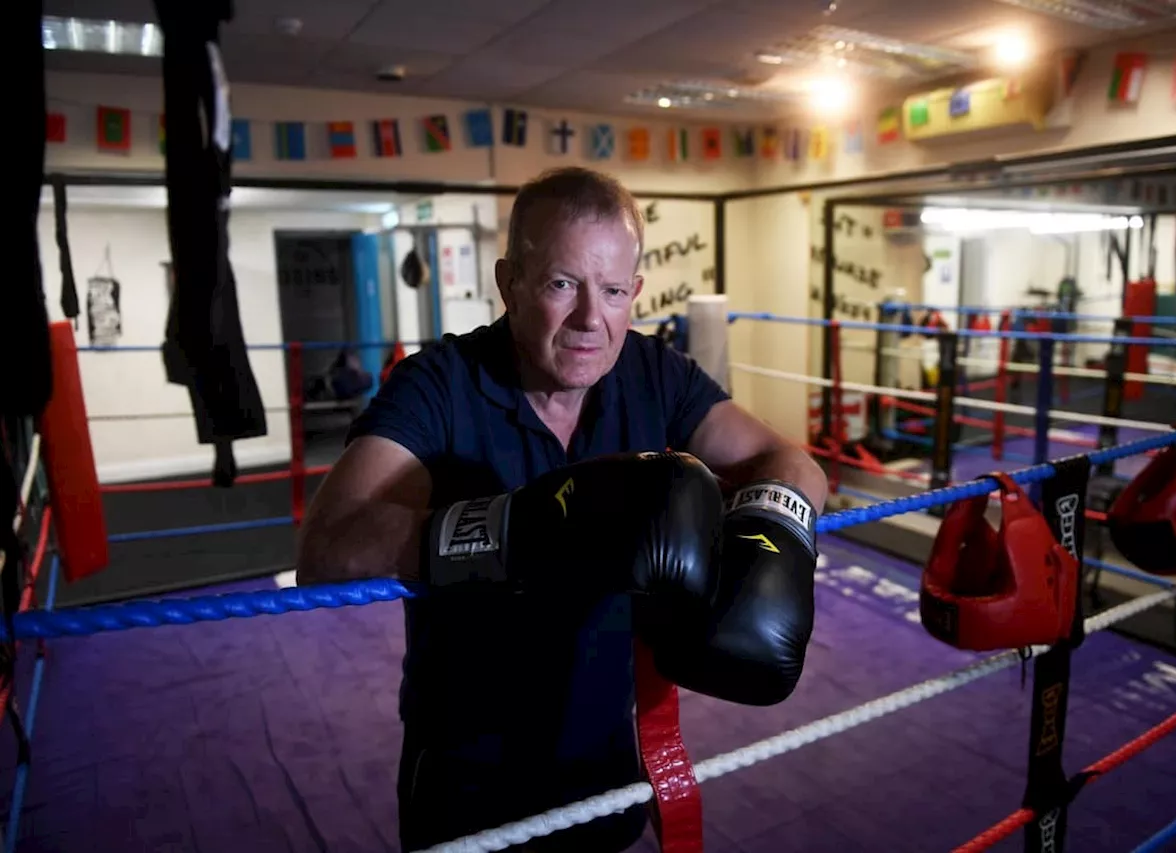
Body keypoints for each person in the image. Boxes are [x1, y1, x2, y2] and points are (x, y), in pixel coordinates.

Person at [297, 167, 827, 852]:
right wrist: (521, 529)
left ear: (634, 293)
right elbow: (326, 547)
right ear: (509, 282)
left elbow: (793, 464)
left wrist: (772, 546)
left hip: (605, 754)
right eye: (561, 284)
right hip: (469, 766)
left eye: (611, 291)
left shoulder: (651, 371)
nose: (590, 319)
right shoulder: (440, 383)